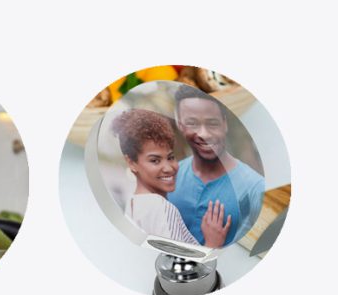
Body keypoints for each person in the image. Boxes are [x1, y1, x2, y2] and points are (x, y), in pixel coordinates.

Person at [111, 109, 231, 247]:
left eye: (170, 157)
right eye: (155, 160)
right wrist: (213, 243)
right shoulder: (161, 207)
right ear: (131, 162)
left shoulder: (132, 204)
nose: (169, 168)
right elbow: (178, 263)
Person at [167, 85, 265, 246]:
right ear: (180, 124)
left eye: (212, 123)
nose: (204, 134)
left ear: (224, 124)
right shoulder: (170, 178)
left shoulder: (255, 189)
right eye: (192, 123)